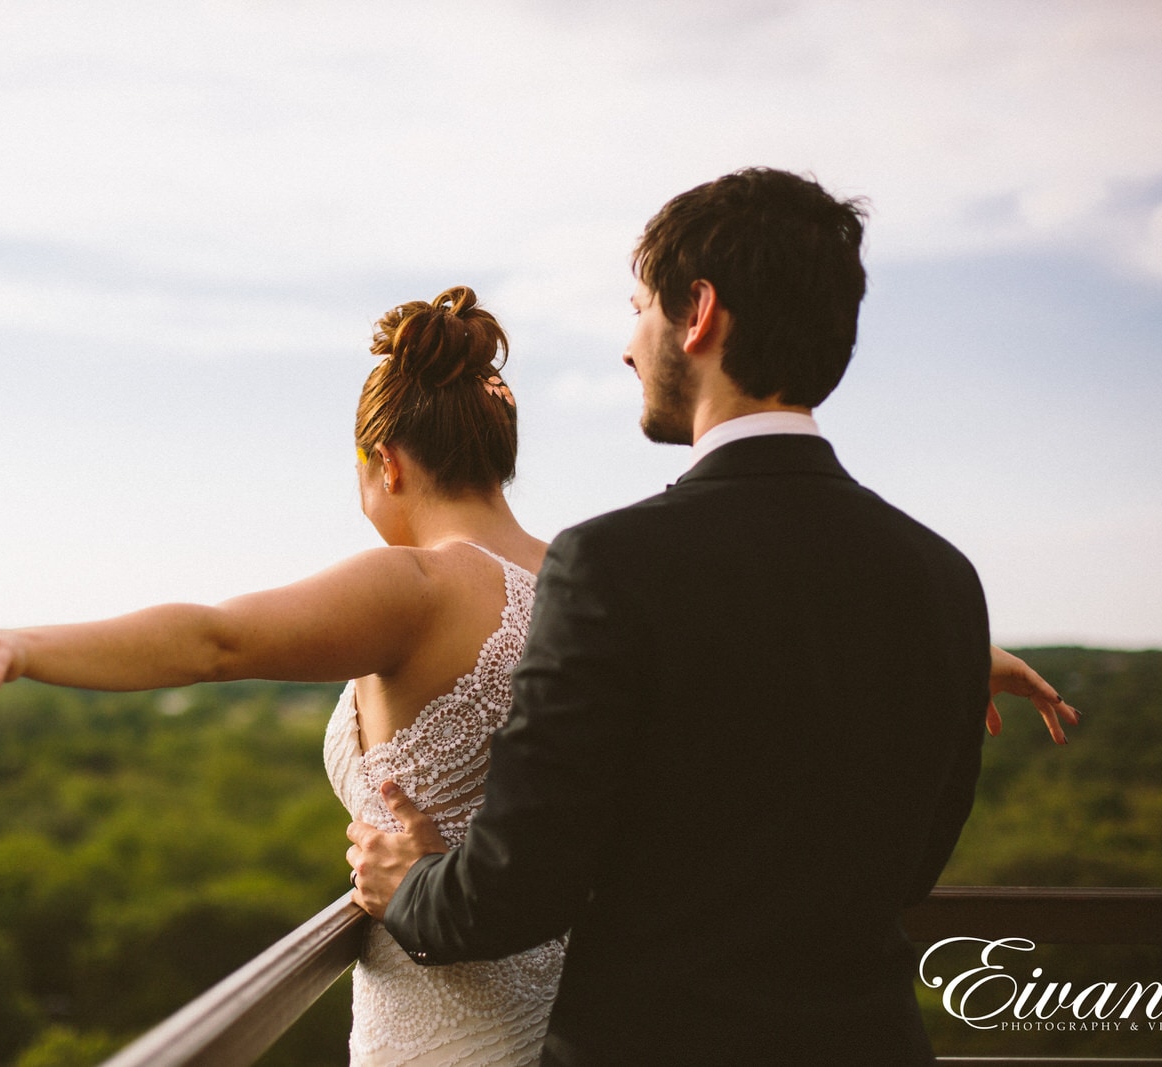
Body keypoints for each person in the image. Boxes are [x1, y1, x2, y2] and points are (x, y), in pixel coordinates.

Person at [346, 169, 1081, 1066]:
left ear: (697, 313)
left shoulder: (612, 566)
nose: (628, 346)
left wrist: (411, 880)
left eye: (638, 308)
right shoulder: (943, 577)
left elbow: (515, 890)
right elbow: (913, 868)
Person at [0, 286, 566, 1065]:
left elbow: (216, 641)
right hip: (567, 1013)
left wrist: (21, 643)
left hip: (446, 1029)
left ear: (383, 461)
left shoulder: (418, 584)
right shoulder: (577, 583)